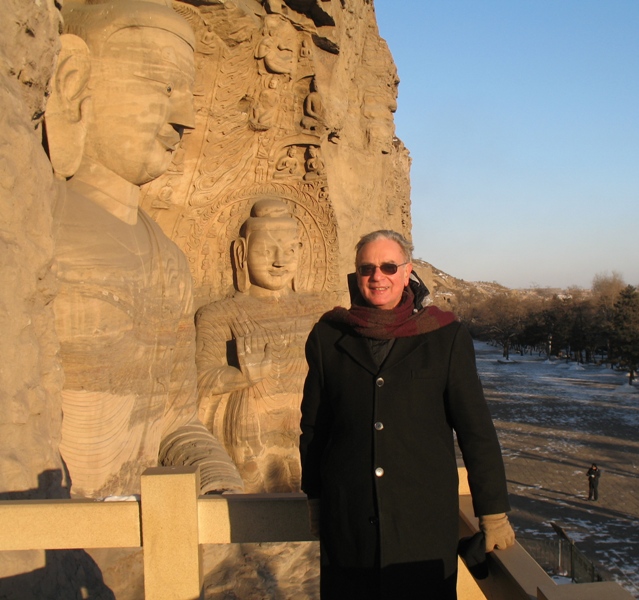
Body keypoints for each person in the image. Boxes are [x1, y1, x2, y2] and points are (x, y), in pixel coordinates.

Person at [47, 0, 243, 499]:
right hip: (46, 522)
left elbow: (175, 422)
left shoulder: (170, 259)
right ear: (74, 83)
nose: (186, 118)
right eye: (165, 86)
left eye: (189, 95)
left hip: (145, 529)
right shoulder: (40, 227)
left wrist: (215, 477)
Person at [299, 230, 515, 599]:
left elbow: (475, 429)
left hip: (423, 526)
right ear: (356, 274)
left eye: (388, 266)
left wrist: (492, 512)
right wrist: (316, 498)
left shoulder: (445, 336)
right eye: (367, 267)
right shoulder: (328, 336)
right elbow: (315, 428)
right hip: (349, 526)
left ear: (407, 272)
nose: (377, 276)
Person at [195, 198, 331, 492]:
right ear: (241, 253)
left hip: (310, 436)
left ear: (301, 252)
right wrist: (241, 377)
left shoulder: (320, 313)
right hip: (248, 443)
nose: (279, 261)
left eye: (289, 249)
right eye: (266, 251)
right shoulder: (219, 315)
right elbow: (200, 380)